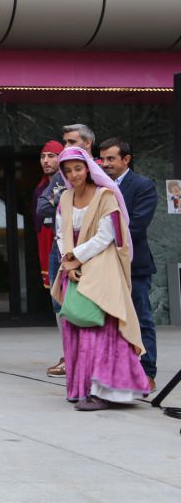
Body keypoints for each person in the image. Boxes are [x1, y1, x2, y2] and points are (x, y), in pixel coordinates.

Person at [51, 146, 149, 410]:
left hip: (102, 268)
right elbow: (61, 234)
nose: (73, 174)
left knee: (101, 329)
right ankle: (83, 389)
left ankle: (106, 392)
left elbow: (106, 236)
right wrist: (68, 263)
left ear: (88, 168)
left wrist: (76, 258)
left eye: (78, 168)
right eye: (68, 170)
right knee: (78, 326)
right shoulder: (64, 199)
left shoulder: (106, 196)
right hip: (74, 269)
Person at [98, 137, 159, 392]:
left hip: (135, 265)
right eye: (102, 159)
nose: (106, 164)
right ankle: (115, 372)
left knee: (140, 318)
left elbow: (135, 225)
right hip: (103, 265)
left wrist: (102, 241)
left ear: (126, 159)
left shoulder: (143, 186)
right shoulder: (97, 187)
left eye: (111, 158)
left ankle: (146, 372)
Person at [37, 123, 95, 378]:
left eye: (71, 143)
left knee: (94, 305)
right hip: (64, 250)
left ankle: (94, 359)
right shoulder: (61, 178)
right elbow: (44, 207)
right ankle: (71, 355)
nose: (65, 151)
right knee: (62, 303)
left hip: (95, 251)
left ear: (87, 144)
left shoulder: (99, 174)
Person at [32, 141, 64, 290]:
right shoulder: (40, 187)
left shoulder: (65, 183)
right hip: (45, 237)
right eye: (42, 157)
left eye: (51, 156)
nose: (45, 161)